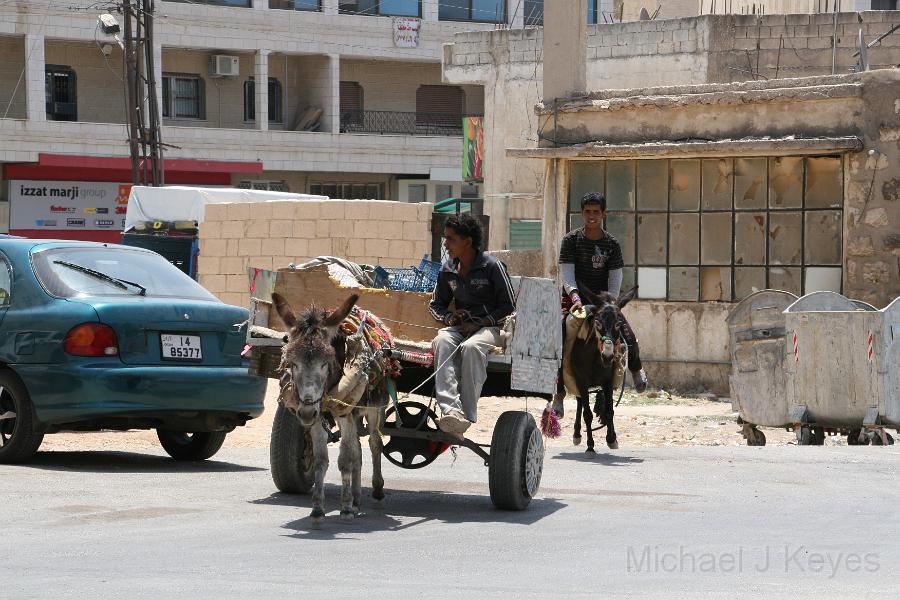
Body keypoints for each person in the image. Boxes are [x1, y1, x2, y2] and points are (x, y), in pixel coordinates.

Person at [553, 192, 647, 414]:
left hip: (604, 302)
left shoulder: (612, 244)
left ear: (603, 214)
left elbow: (615, 277)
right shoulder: (570, 240)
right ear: (582, 214)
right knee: (557, 337)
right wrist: (575, 298)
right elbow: (567, 275)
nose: (591, 216)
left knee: (628, 336)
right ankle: (558, 393)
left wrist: (610, 304)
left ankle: (636, 369)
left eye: (596, 212)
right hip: (576, 299)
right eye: (587, 212)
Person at [428, 214, 516, 435]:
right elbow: (436, 304)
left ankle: (467, 413)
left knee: (472, 347)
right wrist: (451, 318)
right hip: (461, 328)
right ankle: (451, 412)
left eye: (451, 239)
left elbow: (509, 306)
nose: (446, 244)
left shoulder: (492, 266)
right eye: (445, 238)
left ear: (467, 241)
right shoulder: (447, 269)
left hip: (492, 328)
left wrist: (481, 322)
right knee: (442, 340)